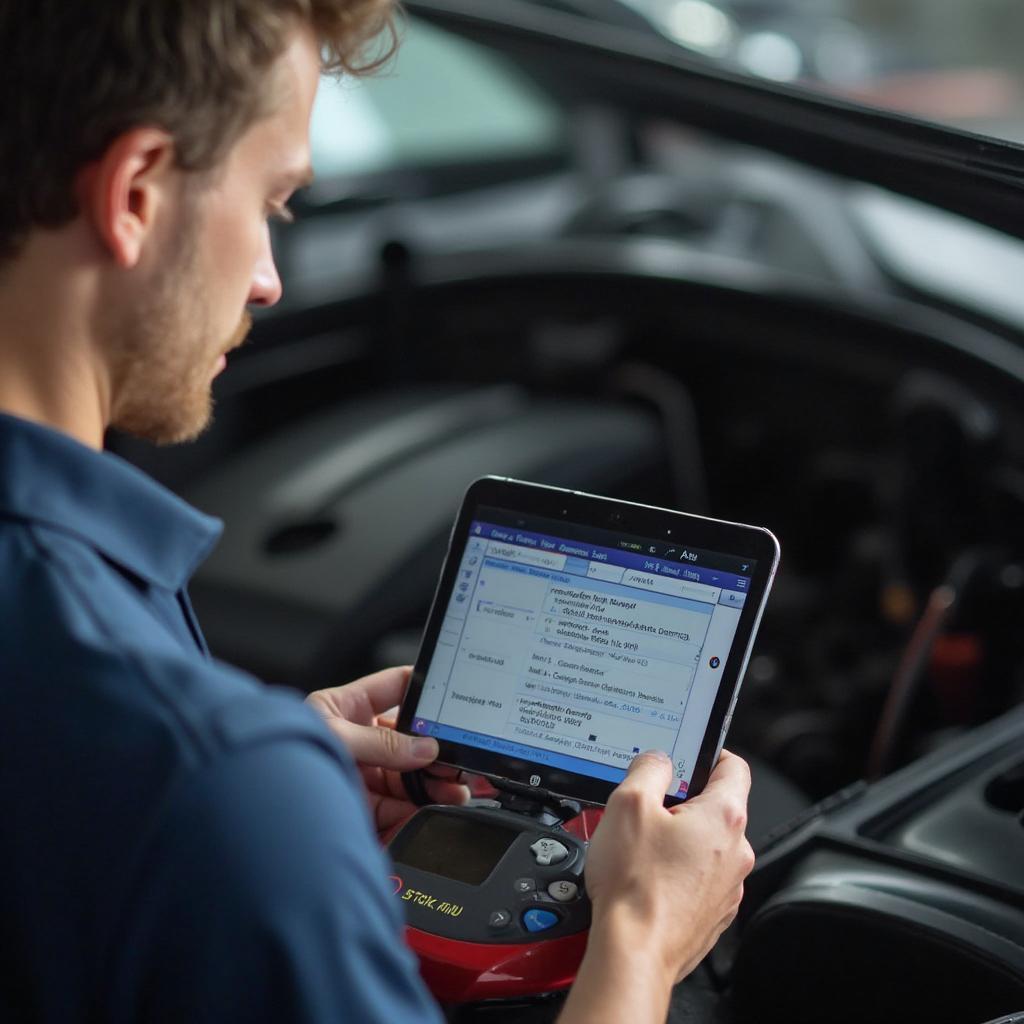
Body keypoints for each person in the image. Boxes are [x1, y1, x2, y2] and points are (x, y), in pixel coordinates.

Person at [0, 2, 754, 1022]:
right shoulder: (211, 780)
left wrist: (267, 771)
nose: (268, 279)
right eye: (271, 200)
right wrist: (642, 941)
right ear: (134, 193)